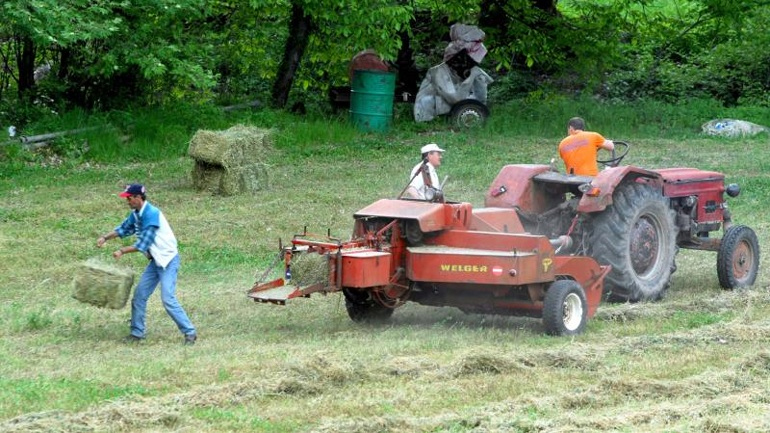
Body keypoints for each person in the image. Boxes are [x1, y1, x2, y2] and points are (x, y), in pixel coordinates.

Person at [96, 183, 197, 345]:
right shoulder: (136, 214)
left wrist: (122, 251)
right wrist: (105, 237)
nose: (127, 201)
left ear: (138, 198)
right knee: (139, 296)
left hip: (168, 260)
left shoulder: (151, 214)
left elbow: (143, 243)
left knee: (168, 299)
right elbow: (124, 229)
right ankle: (137, 333)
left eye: (129, 198)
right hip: (155, 261)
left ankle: (190, 332)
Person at [413, 24, 493, 122]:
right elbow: (455, 99)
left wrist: (478, 78)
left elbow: (481, 101)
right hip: (427, 115)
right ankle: (429, 124)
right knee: (428, 100)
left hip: (451, 112)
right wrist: (471, 77)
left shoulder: (471, 71)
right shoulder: (437, 72)